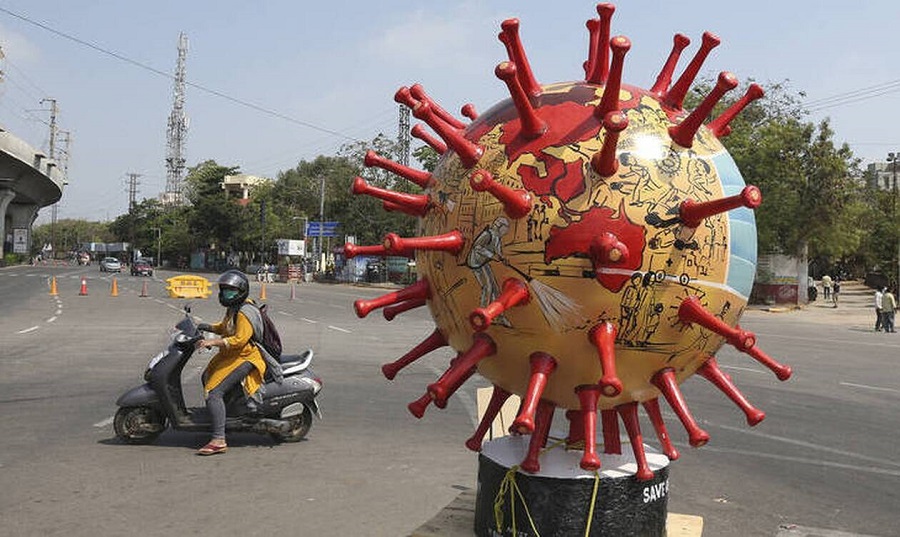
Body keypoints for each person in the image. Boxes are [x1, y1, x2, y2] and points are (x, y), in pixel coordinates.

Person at [194, 270, 267, 455]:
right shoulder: (233, 308)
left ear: (241, 290)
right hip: (231, 355)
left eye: (231, 290)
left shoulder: (244, 311)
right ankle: (222, 415)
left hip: (245, 357)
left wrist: (212, 341)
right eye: (225, 290)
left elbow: (239, 339)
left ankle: (219, 439)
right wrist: (206, 326)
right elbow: (224, 327)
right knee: (207, 375)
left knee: (213, 392)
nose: (227, 293)